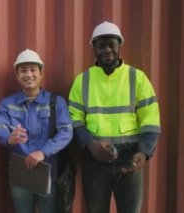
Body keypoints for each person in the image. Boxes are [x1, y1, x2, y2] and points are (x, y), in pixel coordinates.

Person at [68, 21, 161, 213]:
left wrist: (144, 151)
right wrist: (90, 143)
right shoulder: (82, 81)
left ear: (120, 46)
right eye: (101, 45)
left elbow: (150, 118)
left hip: (130, 159)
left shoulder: (137, 78)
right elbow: (74, 118)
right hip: (95, 161)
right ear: (93, 47)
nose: (107, 50)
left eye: (112, 44)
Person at [0, 49, 73, 213]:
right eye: (23, 70)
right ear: (17, 76)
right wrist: (8, 138)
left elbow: (66, 132)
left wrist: (43, 152)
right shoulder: (7, 104)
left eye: (33, 69)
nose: (28, 74)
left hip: (48, 171)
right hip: (21, 173)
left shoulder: (56, 102)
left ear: (41, 73)